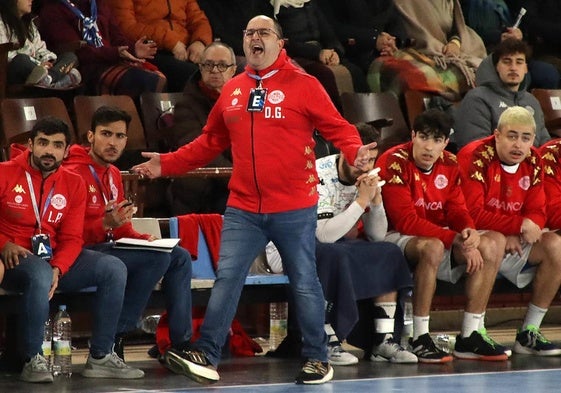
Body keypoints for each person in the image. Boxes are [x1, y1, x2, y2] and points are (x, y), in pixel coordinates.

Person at [132, 15, 376, 385]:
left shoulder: (304, 84)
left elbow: (338, 127)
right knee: (227, 278)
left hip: (294, 204)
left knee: (304, 280)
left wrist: (355, 151)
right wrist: (164, 164)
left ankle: (316, 358)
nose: (255, 39)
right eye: (249, 33)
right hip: (244, 207)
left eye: (264, 33)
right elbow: (208, 143)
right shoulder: (233, 89)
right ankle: (207, 354)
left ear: (281, 43)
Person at [0, 117, 143, 383]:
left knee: (113, 268)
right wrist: (3, 243)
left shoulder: (73, 182)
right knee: (40, 275)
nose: (48, 151)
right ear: (30, 144)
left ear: (66, 151)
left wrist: (59, 267)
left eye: (57, 145)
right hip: (13, 256)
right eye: (42, 143)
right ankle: (33, 358)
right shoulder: (4, 172)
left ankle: (101, 356)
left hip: (53, 256)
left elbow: (73, 238)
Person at [63, 106, 194, 372]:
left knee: (177, 256)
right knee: (155, 260)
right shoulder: (73, 172)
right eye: (106, 134)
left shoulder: (112, 174)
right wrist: (105, 223)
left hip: (105, 247)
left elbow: (120, 228)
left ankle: (180, 345)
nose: (113, 142)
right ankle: (117, 336)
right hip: (79, 253)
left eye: (120, 136)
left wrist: (142, 238)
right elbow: (68, 233)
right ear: (90, 136)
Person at [376, 109, 507, 363]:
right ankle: (420, 337)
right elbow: (406, 221)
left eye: (437, 140)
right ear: (412, 136)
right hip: (393, 236)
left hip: (437, 234)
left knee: (493, 242)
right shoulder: (392, 161)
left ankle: (470, 335)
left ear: (446, 143)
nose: (429, 147)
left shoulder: (449, 162)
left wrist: (467, 231)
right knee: (434, 247)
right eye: (424, 137)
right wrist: (454, 239)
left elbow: (456, 208)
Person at [457, 106, 561, 357]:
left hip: (510, 239)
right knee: (494, 241)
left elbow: (538, 211)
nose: (518, 144)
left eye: (525, 138)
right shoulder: (475, 155)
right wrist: (516, 226)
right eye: (511, 136)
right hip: (468, 240)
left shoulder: (534, 159)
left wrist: (524, 228)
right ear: (496, 135)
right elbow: (471, 212)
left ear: (533, 140)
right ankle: (470, 334)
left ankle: (529, 333)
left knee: (555, 245)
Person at [314, 122, 416, 365]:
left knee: (388, 251)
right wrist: (361, 201)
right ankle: (328, 340)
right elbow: (323, 236)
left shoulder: (367, 177)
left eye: (370, 160)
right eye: (359, 159)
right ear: (342, 151)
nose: (365, 166)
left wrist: (376, 204)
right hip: (302, 241)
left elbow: (377, 235)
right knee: (333, 254)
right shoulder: (320, 174)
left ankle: (384, 340)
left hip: (338, 242)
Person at [38, 0, 166, 98]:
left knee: (159, 77)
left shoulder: (99, 4)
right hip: (86, 67)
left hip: (112, 60)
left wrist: (133, 50)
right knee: (144, 80)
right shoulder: (53, 10)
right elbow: (78, 51)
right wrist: (115, 53)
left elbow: (117, 37)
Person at [165, 42, 236, 215]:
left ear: (233, 70)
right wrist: (242, 179)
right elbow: (203, 154)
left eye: (222, 65)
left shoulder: (244, 101)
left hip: (235, 181)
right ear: (200, 68)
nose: (214, 70)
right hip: (203, 188)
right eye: (209, 65)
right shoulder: (186, 105)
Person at [369, 0, 486, 101]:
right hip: (419, 49)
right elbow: (405, 31)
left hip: (453, 49)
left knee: (485, 68)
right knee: (416, 77)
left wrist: (455, 42)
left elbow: (457, 26)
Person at [452, 38, 550, 150]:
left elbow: (545, 144)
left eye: (519, 62)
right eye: (507, 61)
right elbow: (475, 149)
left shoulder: (532, 101)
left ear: (526, 68)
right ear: (496, 67)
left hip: (532, 166)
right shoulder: (477, 98)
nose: (513, 68)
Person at [272, 0, 370, 111]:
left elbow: (328, 33)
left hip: (323, 54)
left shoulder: (309, 3)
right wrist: (317, 53)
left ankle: (364, 122)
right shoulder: (272, 7)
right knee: (326, 75)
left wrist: (334, 52)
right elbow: (283, 42)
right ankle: (337, 123)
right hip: (298, 56)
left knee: (355, 72)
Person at [107, 0, 212, 92]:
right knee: (194, 76)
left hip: (186, 48)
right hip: (151, 51)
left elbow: (198, 19)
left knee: (220, 70)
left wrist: (200, 42)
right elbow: (126, 28)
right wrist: (170, 41)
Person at [0, 0, 81, 88]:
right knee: (20, 60)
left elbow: (40, 49)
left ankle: (49, 79)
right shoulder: (1, 23)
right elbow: (6, 56)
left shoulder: (29, 24)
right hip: (14, 71)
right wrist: (39, 65)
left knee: (71, 56)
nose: (31, 0)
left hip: (40, 69)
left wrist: (51, 61)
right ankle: (57, 81)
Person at [317, 0, 404, 74]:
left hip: (387, 51)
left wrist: (393, 41)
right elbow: (331, 28)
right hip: (351, 52)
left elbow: (395, 19)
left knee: (412, 73)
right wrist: (374, 39)